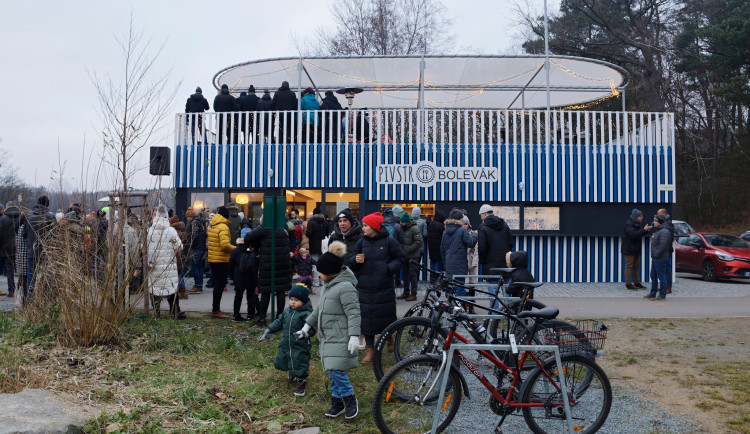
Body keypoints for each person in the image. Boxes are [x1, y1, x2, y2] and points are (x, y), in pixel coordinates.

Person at [295, 241, 361, 419]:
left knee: (337, 370)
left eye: (321, 273)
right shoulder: (328, 286)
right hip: (328, 336)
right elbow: (319, 310)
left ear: (331, 273)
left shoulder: (345, 288)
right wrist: (307, 325)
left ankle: (350, 399)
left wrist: (354, 336)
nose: (319, 276)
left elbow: (354, 313)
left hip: (340, 336)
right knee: (332, 370)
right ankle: (337, 401)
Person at [347, 212, 404, 363]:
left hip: (383, 287)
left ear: (374, 226)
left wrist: (388, 268)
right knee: (366, 320)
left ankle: (390, 338)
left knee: (385, 316)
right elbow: (351, 259)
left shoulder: (389, 242)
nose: (363, 228)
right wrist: (355, 260)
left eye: (365, 225)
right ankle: (370, 350)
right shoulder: (361, 242)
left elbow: (400, 258)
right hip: (365, 287)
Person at [258, 283, 314, 396]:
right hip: (286, 341)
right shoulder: (287, 311)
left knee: (299, 360)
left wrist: (305, 333)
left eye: (296, 300)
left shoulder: (307, 314)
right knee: (284, 358)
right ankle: (293, 371)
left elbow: (312, 328)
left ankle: (301, 381)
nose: (293, 302)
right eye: (291, 299)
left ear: (304, 301)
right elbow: (279, 322)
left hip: (300, 344)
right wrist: (269, 330)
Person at [246, 220, 292, 326]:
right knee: (281, 289)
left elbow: (248, 236)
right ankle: (279, 318)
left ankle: (262, 318)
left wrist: (257, 245)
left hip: (268, 262)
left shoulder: (265, 227)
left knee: (266, 290)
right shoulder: (284, 226)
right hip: (283, 261)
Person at [146, 205, 186, 320]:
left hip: (154, 265)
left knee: (154, 289)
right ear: (166, 217)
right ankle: (174, 311)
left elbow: (144, 247)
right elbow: (179, 247)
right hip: (169, 265)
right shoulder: (171, 230)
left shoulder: (150, 231)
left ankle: (156, 313)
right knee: (172, 289)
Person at [23, 196, 55, 300]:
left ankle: (29, 302)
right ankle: (46, 301)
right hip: (46, 252)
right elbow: (54, 235)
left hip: (32, 251)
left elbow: (24, 234)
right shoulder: (50, 216)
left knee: (31, 278)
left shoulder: (29, 216)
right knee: (48, 277)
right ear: (48, 204)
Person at [207, 206, 236, 318]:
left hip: (213, 258)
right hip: (221, 259)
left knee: (217, 286)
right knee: (220, 285)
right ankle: (216, 310)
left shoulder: (212, 225)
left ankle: (215, 309)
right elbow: (224, 245)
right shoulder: (223, 226)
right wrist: (236, 249)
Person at [441, 209, 477, 297]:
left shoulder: (445, 232)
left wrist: (446, 264)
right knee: (459, 288)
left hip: (449, 264)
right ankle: (457, 308)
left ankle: (450, 308)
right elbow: (471, 243)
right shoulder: (462, 230)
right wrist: (475, 235)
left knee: (450, 287)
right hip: (460, 265)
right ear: (460, 219)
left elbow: (442, 250)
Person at [228, 229, 258, 322]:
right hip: (251, 276)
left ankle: (236, 314)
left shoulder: (235, 251)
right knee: (251, 296)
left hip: (238, 276)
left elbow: (231, 264)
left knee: (238, 296)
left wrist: (232, 276)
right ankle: (251, 314)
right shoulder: (252, 250)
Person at [477, 204, 513, 277]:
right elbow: (511, 243)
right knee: (506, 287)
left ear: (485, 214)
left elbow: (482, 248)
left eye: (481, 215)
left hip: (490, 265)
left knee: (492, 286)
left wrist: (482, 260)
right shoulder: (504, 225)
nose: (481, 218)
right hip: (504, 263)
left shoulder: (483, 228)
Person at [622, 208, 652, 290]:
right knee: (628, 266)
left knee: (636, 266)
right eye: (640, 216)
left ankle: (636, 283)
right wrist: (644, 230)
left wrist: (646, 231)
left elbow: (639, 234)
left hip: (635, 248)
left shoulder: (637, 223)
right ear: (636, 217)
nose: (642, 217)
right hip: (629, 249)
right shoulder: (629, 224)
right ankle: (628, 284)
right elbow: (633, 235)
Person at [397, 212, 423, 301]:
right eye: (400, 222)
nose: (401, 223)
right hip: (404, 255)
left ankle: (413, 293)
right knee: (405, 274)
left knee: (413, 274)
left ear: (407, 222)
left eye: (402, 222)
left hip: (413, 255)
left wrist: (408, 249)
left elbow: (419, 241)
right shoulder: (401, 228)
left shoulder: (415, 228)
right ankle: (406, 292)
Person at [644, 214, 671, 301]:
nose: (653, 222)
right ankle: (653, 293)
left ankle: (662, 295)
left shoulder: (664, 231)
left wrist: (656, 254)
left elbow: (663, 246)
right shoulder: (659, 230)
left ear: (660, 222)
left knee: (661, 276)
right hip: (656, 257)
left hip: (660, 257)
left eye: (655, 221)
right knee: (653, 275)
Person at [185, 208, 207, 294]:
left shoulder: (195, 223)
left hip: (197, 248)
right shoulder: (201, 222)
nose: (187, 219)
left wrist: (191, 246)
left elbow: (194, 236)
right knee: (199, 268)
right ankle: (199, 285)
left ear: (190, 216)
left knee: (194, 267)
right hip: (202, 248)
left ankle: (197, 285)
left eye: (187, 217)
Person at [0, 203, 19, 297]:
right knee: (10, 270)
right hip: (13, 248)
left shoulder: (3, 219)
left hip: (2, 248)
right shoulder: (19, 217)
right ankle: (11, 290)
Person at [169, 215, 189, 299]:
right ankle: (182, 291)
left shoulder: (175, 234)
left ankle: (183, 291)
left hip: (177, 256)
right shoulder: (182, 232)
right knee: (179, 273)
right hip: (181, 255)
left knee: (177, 275)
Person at [656, 208, 675, 294]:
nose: (657, 215)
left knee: (667, 268)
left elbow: (670, 237)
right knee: (664, 268)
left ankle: (668, 287)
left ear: (664, 213)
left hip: (667, 249)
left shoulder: (668, 223)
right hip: (666, 249)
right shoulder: (665, 222)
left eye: (659, 213)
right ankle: (665, 285)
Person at [427, 209, 446, 281]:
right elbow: (443, 236)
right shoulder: (441, 225)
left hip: (431, 246)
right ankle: (437, 277)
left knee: (432, 262)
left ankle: (432, 277)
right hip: (438, 247)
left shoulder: (431, 224)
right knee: (438, 262)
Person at [463, 216, 479, 286]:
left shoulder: (473, 234)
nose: (464, 225)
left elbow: (476, 249)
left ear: (469, 225)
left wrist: (475, 262)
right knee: (465, 280)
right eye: (463, 224)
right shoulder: (460, 233)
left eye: (466, 224)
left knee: (472, 280)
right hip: (464, 259)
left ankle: (471, 294)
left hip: (472, 258)